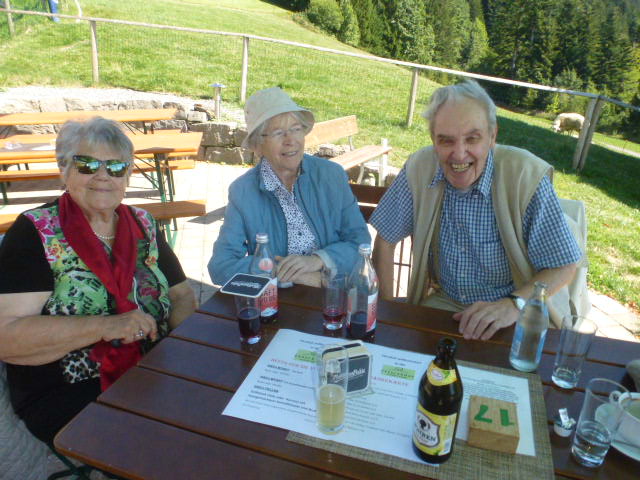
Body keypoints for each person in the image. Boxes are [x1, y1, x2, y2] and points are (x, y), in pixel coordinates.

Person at [0, 117, 196, 444]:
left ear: (127, 175)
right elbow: (6, 337)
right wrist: (105, 326)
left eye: (116, 167)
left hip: (152, 367)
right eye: (87, 164)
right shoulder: (35, 231)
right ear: (63, 168)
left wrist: (185, 353)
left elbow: (182, 296)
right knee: (179, 444)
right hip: (70, 388)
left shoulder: (143, 223)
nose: (103, 175)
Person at [370, 80, 582, 341]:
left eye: (472, 139)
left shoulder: (525, 175)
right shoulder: (419, 167)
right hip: (446, 302)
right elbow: (385, 239)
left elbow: (564, 266)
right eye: (446, 141)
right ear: (433, 140)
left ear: (492, 136)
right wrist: (389, 313)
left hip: (515, 307)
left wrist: (513, 304)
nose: (459, 155)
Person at [208, 87, 370, 287]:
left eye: (296, 129)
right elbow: (220, 267)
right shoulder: (243, 192)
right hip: (276, 300)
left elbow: (360, 242)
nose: (290, 140)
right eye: (278, 133)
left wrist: (319, 260)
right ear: (258, 146)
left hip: (336, 294)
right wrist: (284, 272)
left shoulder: (331, 176)